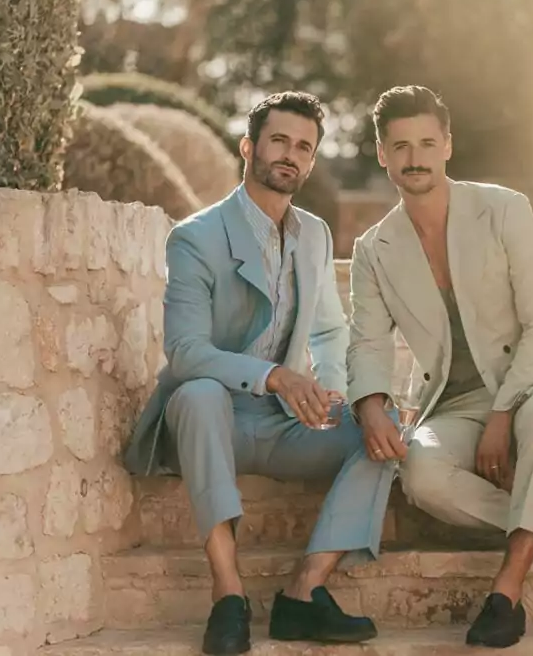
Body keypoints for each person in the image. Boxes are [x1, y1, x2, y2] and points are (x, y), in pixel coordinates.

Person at [346, 85, 533, 649]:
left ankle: (507, 590)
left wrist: (504, 413)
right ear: (383, 154)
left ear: (447, 146)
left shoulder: (503, 209)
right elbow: (367, 342)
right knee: (421, 475)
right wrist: (370, 405)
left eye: (427, 143)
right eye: (401, 146)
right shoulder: (373, 249)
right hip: (454, 401)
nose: (415, 158)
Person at [122, 91, 393, 655]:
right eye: (279, 141)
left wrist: (336, 393)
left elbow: (329, 332)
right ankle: (228, 595)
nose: (290, 155)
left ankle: (305, 591)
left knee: (383, 430)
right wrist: (275, 376)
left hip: (282, 423)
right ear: (249, 147)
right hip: (209, 420)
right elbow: (186, 352)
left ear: (311, 160)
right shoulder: (196, 236)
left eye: (304, 147)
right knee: (198, 393)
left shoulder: (315, 234)